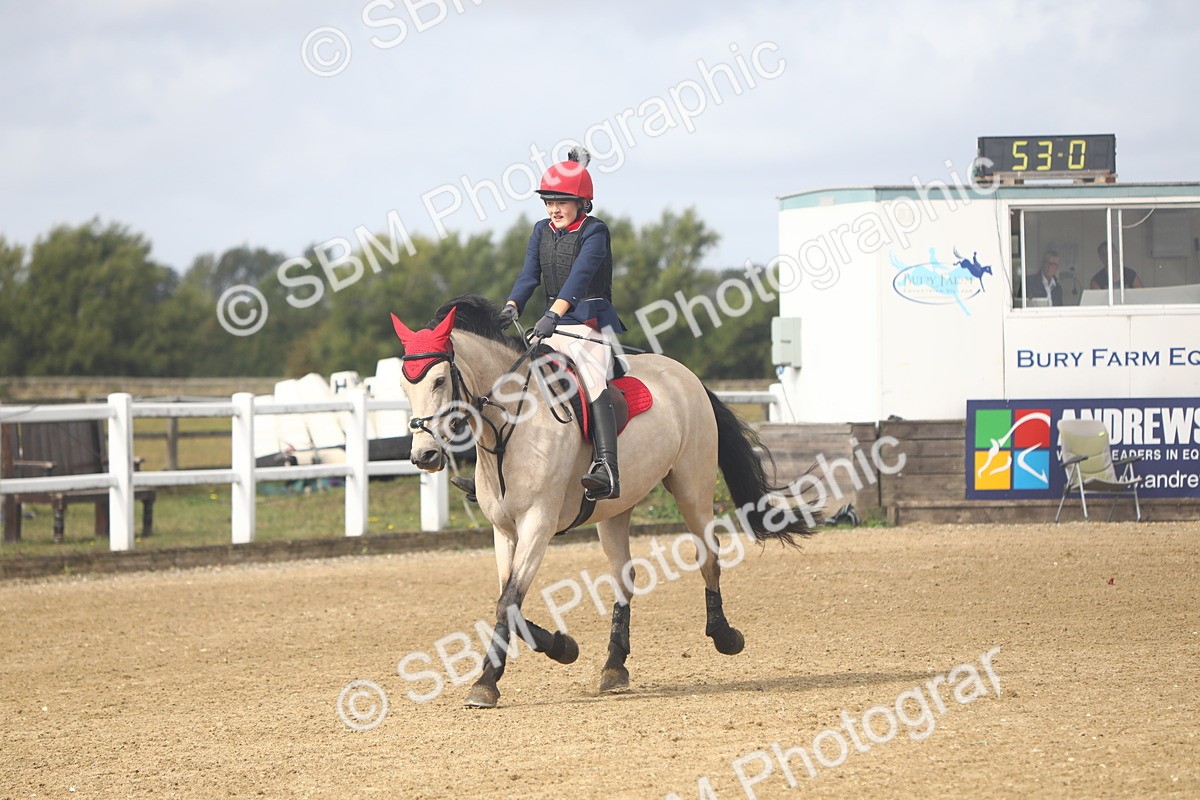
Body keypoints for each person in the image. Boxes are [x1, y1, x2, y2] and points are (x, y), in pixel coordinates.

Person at [499, 146, 626, 500]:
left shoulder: (595, 231)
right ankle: (496, 473)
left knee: (592, 379)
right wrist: (512, 305)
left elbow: (580, 278)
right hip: (550, 324)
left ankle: (606, 468)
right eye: (548, 202)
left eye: (562, 202)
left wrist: (553, 314)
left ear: (582, 203)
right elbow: (529, 275)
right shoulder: (541, 230)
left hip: (588, 322)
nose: (554, 209)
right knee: (514, 376)